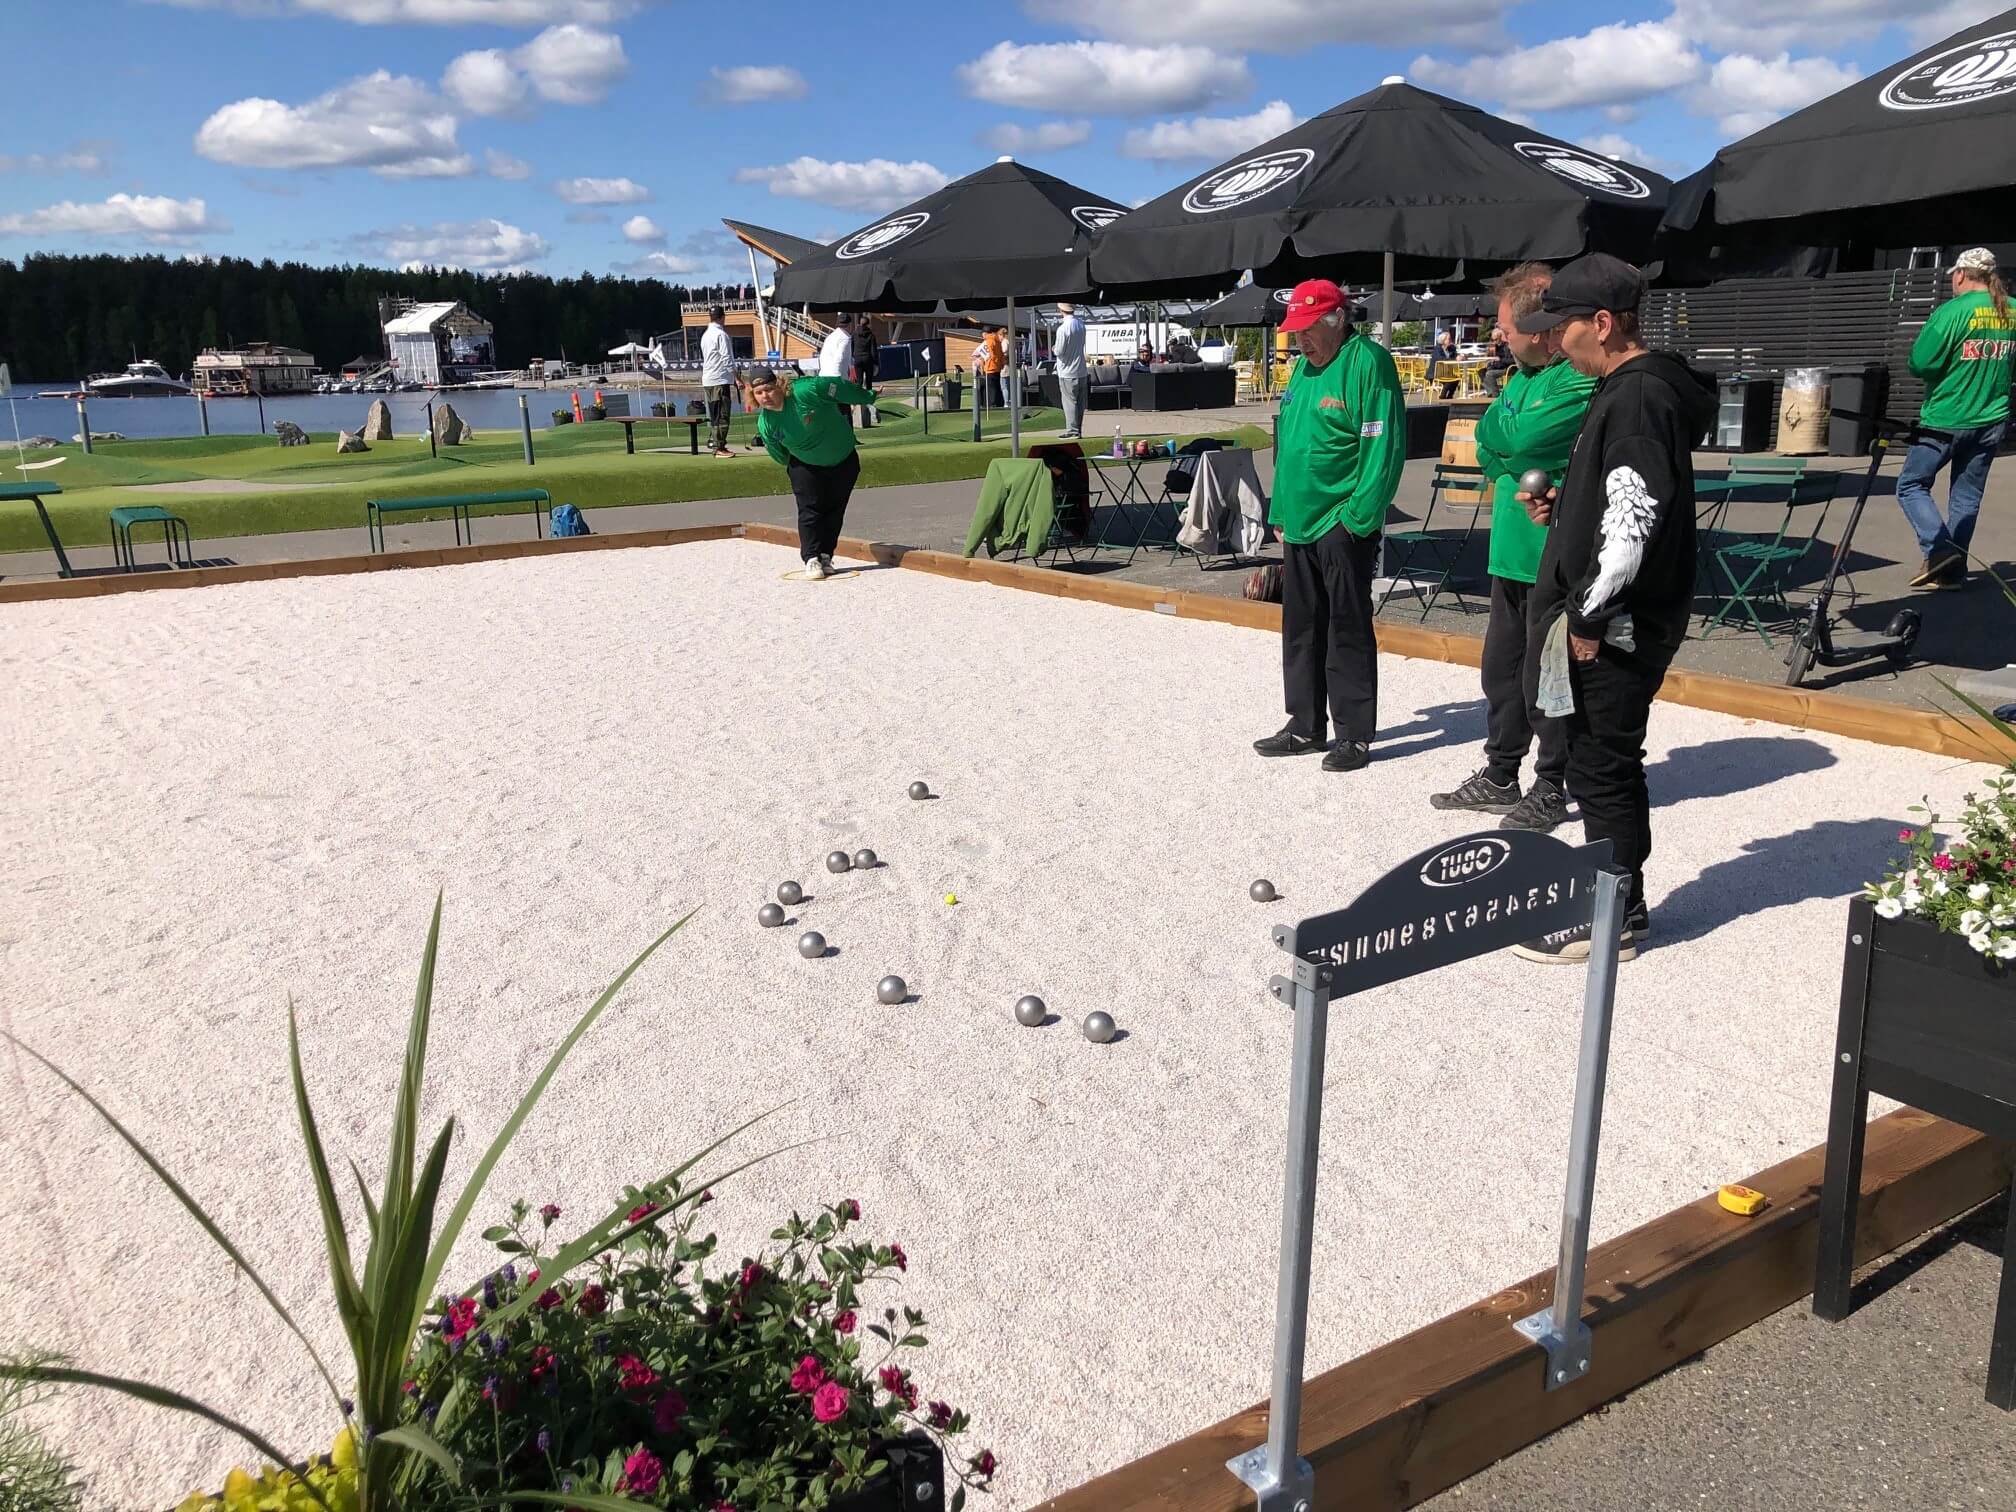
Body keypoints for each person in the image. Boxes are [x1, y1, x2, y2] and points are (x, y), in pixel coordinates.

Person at [1509, 253, 1716, 963]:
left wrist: (1590, 617)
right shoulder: (1630, 388)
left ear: (1601, 323)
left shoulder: (1638, 396)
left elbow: (1635, 523)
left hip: (1618, 621)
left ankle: (1612, 917)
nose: (1553, 338)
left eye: (1561, 324)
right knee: (1604, 760)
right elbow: (1618, 498)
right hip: (1619, 610)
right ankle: (1620, 902)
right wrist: (1566, 511)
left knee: (1602, 765)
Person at [1432, 263, 1597, 833]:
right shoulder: (1520, 379)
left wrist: (1509, 445)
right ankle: (1501, 772)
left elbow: (1520, 439)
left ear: (1541, 329)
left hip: (1551, 556)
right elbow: (1486, 442)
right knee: (1501, 673)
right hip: (1509, 553)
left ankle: (1551, 784)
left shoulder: (1576, 378)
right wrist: (1510, 448)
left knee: (1548, 679)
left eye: (1506, 326)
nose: (1498, 335)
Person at [1253, 279, 1406, 772]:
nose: (1300, 339)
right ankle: (1305, 725)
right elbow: (1291, 442)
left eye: (1309, 329)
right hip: (1298, 520)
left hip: (1342, 520)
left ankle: (1354, 734)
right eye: (1296, 330)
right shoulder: (1302, 368)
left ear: (1337, 320)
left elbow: (1383, 446)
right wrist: (1279, 510)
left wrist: (1359, 517)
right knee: (1300, 627)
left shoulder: (1368, 362)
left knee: (1347, 627)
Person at [1898, 247, 2016, 589]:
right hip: (1991, 418)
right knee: (1966, 496)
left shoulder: (1951, 312)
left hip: (1945, 418)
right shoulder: (2011, 309)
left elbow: (1921, 363)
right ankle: (1951, 573)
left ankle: (1939, 551)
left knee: (1911, 485)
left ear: (1961, 274)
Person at [743, 363, 877, 580]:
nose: (765, 396)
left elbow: (839, 387)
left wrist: (868, 396)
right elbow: (779, 454)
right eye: (758, 393)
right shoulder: (766, 424)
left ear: (779, 385)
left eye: (768, 389)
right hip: (805, 466)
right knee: (810, 510)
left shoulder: (806, 390)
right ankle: (811, 558)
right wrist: (799, 463)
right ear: (753, 396)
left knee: (835, 510)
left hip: (844, 460)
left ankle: (826, 555)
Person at [699, 304, 735, 457]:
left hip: (708, 380)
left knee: (715, 415)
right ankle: (719, 447)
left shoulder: (705, 335)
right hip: (719, 379)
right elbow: (727, 359)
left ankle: (716, 444)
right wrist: (738, 378)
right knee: (722, 415)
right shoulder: (721, 335)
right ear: (723, 317)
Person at [1052, 301, 1087, 439]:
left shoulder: (1063, 329)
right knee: (1080, 403)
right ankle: (1078, 429)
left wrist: (1054, 349)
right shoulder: (1081, 325)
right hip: (1081, 369)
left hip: (1067, 370)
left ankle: (1072, 430)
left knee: (1069, 402)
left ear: (1061, 310)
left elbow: (1059, 351)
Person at [850, 314, 879, 428]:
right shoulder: (871, 335)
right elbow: (873, 350)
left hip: (857, 359)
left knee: (859, 381)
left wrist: (854, 357)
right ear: (868, 324)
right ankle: (869, 401)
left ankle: (859, 401)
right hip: (868, 359)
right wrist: (876, 363)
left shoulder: (854, 334)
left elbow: (851, 347)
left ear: (859, 323)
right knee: (869, 382)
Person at [1481, 325, 1516, 397]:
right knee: (1481, 372)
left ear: (1500, 337)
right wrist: (1491, 360)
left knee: (1489, 374)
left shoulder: (1507, 346)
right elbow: (1496, 358)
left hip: (1508, 368)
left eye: (1495, 339)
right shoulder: (1496, 347)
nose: (1494, 342)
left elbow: (1513, 360)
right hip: (1499, 366)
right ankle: (1490, 392)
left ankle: (1496, 395)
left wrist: (1500, 360)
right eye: (1492, 340)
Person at [978, 326, 1005, 409]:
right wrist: (1000, 363)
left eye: (982, 334)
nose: (982, 336)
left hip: (990, 367)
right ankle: (999, 404)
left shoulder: (988, 341)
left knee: (991, 388)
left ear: (985, 333)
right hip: (997, 367)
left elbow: (991, 353)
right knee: (997, 387)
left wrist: (989, 361)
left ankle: (992, 404)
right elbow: (1001, 354)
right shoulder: (997, 340)